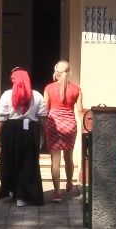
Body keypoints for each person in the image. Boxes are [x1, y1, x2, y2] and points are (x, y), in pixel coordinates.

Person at [0, 67, 46, 207]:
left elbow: (1, 119)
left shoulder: (6, 95)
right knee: (29, 163)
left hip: (10, 131)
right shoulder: (37, 95)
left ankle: (13, 191)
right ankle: (24, 196)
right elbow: (42, 119)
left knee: (10, 162)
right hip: (30, 131)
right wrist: (42, 137)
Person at [43, 60, 83, 203]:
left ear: (56, 72)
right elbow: (80, 111)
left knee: (55, 160)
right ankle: (69, 183)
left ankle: (56, 193)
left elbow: (44, 109)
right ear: (69, 72)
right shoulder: (76, 89)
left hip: (53, 124)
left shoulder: (49, 88)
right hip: (70, 125)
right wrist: (83, 127)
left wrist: (43, 125)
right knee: (69, 157)